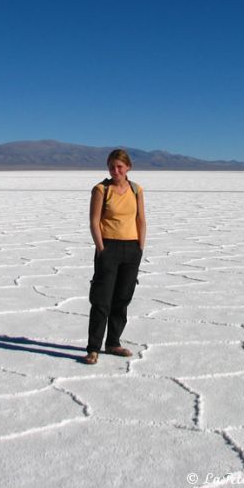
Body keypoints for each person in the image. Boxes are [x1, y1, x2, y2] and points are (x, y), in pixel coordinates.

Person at [83, 149, 146, 365]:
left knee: (122, 299)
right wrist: (101, 249)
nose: (115, 170)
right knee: (102, 300)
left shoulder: (136, 190)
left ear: (128, 167)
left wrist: (140, 247)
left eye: (119, 166)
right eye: (112, 166)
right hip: (108, 248)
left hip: (131, 250)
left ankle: (113, 343)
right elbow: (94, 221)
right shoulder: (101, 190)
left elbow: (141, 220)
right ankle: (93, 348)